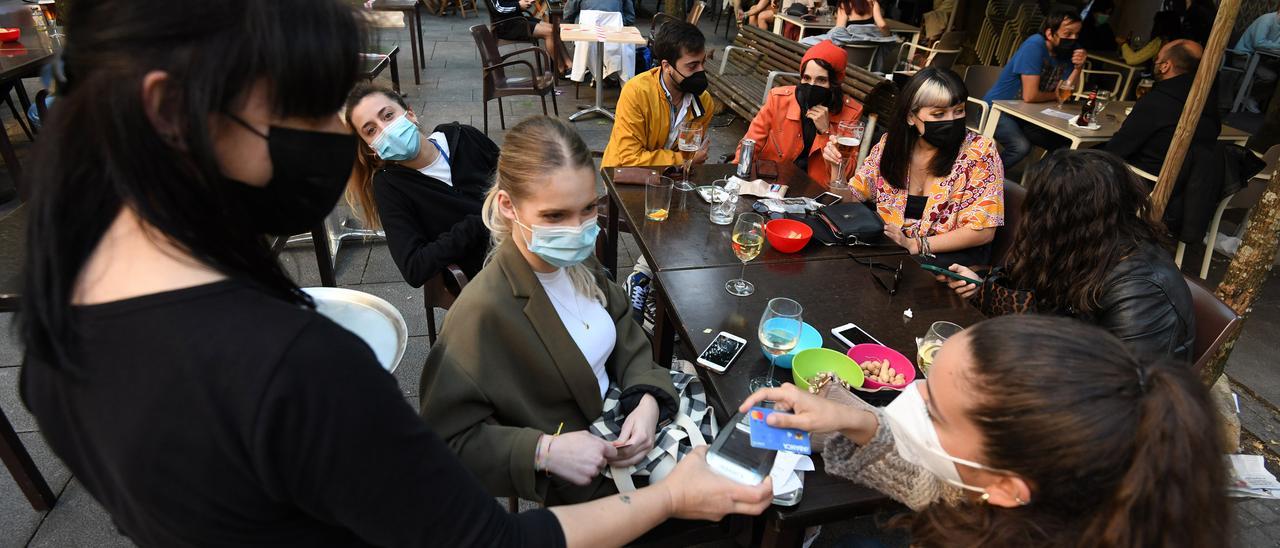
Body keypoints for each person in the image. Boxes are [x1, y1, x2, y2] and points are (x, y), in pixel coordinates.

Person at [17, 2, 772, 546]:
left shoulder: (60, 320)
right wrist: (664, 496)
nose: (335, 138)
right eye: (309, 107)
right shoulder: (296, 369)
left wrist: (643, 394)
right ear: (173, 112)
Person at [740, 314, 1228, 547]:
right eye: (927, 382)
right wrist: (861, 421)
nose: (912, 398)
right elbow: (942, 492)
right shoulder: (1040, 504)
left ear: (1008, 489)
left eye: (933, 413)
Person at [421, 116, 682, 505]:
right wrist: (542, 451)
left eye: (588, 208)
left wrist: (646, 399)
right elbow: (447, 441)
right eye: (555, 216)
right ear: (509, 206)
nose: (577, 229)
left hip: (626, 425)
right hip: (588, 480)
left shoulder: (577, 264)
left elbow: (624, 325)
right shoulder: (481, 314)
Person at [940, 149, 1195, 364]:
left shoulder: (1141, 290)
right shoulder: (1076, 244)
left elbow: (1124, 390)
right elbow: (1027, 289)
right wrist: (980, 287)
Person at [827, 68, 1004, 267]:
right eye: (939, 114)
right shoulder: (891, 145)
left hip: (947, 264)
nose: (952, 120)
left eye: (959, 110)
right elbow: (851, 200)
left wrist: (915, 245)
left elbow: (983, 231)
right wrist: (838, 170)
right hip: (890, 256)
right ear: (911, 117)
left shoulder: (980, 151)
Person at [343, 84, 495, 285]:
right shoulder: (391, 187)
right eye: (371, 130)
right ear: (372, 148)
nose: (386, 130)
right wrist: (481, 221)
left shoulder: (464, 136)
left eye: (388, 116)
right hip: (484, 279)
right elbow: (414, 268)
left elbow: (520, 180)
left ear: (410, 114)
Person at [733, 40, 865, 185]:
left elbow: (844, 176)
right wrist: (735, 180)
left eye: (821, 80)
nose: (812, 86)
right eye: (806, 78)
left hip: (816, 191)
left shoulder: (850, 113)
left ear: (834, 83)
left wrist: (826, 132)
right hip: (772, 183)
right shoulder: (779, 99)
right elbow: (751, 143)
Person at [601, 21, 713, 168]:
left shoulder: (704, 101)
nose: (701, 71)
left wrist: (686, 160)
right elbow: (630, 158)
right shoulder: (637, 92)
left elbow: (693, 152)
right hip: (624, 177)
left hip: (671, 177)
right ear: (667, 66)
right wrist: (682, 159)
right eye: (692, 66)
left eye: (702, 63)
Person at [984, 10, 1086, 170]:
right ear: (1050, 33)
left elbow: (1065, 93)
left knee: (1064, 147)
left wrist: (1078, 68)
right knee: (1020, 146)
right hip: (996, 110)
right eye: (1068, 33)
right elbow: (1030, 96)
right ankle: (981, 181)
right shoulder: (1034, 46)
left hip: (1027, 116)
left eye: (1077, 34)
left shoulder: (1068, 49)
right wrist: (1057, 95)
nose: (1073, 39)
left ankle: (1036, 182)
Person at [1105, 40, 1219, 178]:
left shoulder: (1157, 101)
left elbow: (1116, 150)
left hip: (1140, 182)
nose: (1156, 62)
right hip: (1185, 188)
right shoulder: (1208, 102)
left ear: (1165, 66)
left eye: (1157, 59)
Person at [490, 0, 572, 74]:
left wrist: (525, 2)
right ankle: (561, 69)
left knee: (553, 29)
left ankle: (569, 64)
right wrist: (518, 5)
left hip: (517, 19)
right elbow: (498, 8)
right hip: (506, 25)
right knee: (549, 33)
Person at [1230, 2, 1280, 113]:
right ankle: (1247, 97)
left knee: (1276, 74)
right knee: (1270, 76)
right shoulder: (1267, 20)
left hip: (1261, 59)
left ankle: (1248, 96)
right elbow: (1258, 43)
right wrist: (1276, 46)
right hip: (1243, 56)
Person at [563, 0, 635, 26]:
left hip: (584, 42)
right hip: (615, 45)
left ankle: (568, 60)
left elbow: (567, 15)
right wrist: (616, 21)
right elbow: (630, 18)